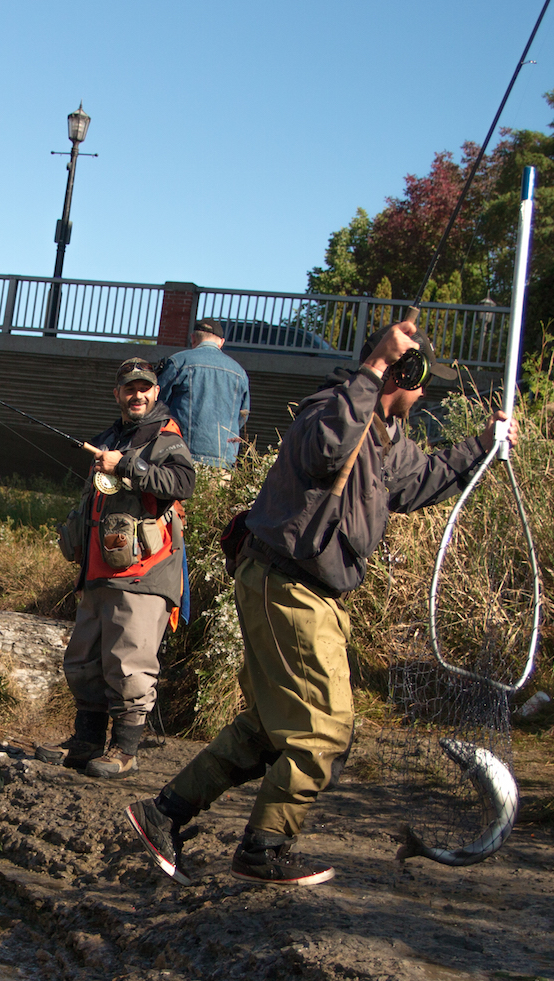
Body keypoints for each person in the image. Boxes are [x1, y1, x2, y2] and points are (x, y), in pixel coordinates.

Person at [124, 321, 510, 886]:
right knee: (325, 730)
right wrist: (373, 369)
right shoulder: (333, 406)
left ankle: (164, 814)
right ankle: (264, 849)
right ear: (401, 372)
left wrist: (486, 445)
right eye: (422, 379)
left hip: (296, 587)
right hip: (288, 585)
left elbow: (427, 478)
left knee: (266, 729)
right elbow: (327, 446)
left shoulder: (385, 439)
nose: (426, 393)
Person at [42, 358, 196, 778]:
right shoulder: (110, 437)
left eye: (145, 387)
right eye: (129, 389)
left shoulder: (167, 438)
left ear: (156, 392)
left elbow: (183, 485)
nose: (137, 395)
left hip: (144, 574)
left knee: (129, 664)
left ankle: (124, 751)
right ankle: (86, 741)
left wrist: (126, 465)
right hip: (97, 572)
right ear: (118, 395)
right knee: (85, 661)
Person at [157, 318, 252, 466]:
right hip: (223, 459)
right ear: (221, 342)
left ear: (193, 338)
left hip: (181, 455)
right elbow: (242, 416)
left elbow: (157, 405)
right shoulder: (239, 372)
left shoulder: (179, 362)